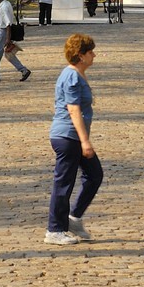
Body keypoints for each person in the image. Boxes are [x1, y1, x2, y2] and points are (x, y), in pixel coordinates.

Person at [45, 32, 102, 246]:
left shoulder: (78, 74)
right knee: (63, 184)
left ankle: (73, 218)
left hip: (73, 137)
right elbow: (73, 109)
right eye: (90, 52)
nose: (94, 55)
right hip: (67, 136)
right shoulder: (71, 76)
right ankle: (54, 229)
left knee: (94, 175)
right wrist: (85, 141)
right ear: (80, 55)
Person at [0, 0, 31, 83]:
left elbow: (8, 24)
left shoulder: (4, 7)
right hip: (4, 31)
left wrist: (7, 37)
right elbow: (1, 17)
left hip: (3, 31)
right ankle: (23, 70)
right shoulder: (6, 4)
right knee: (8, 53)